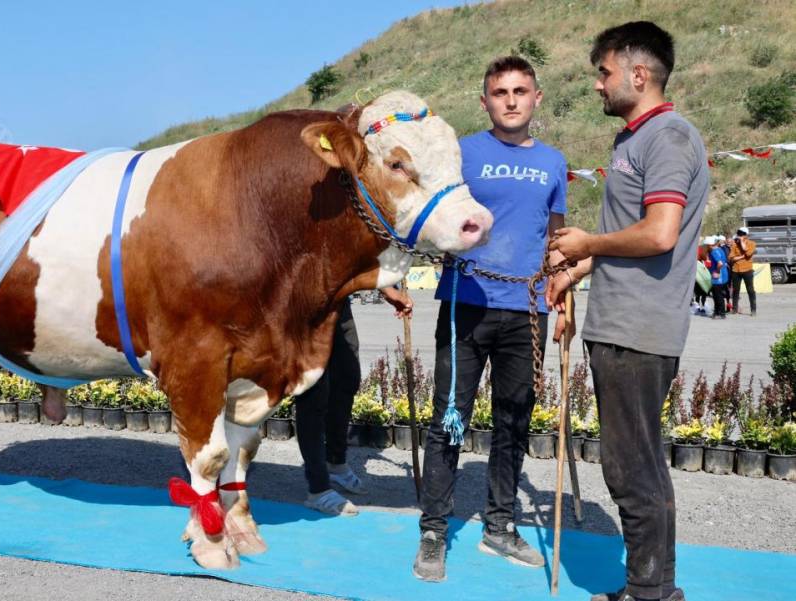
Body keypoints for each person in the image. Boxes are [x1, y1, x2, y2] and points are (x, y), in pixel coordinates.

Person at [549, 21, 706, 601]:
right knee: (640, 464)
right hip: (621, 319)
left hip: (638, 329)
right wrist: (578, 268)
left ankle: (648, 594)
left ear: (639, 75)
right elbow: (627, 233)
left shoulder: (667, 138)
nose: (598, 85)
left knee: (630, 469)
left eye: (605, 72)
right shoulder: (631, 141)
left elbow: (660, 233)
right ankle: (655, 590)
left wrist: (587, 243)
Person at [413, 55, 568, 582]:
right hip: (465, 304)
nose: (510, 100)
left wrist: (562, 290)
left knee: (513, 423)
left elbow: (556, 237)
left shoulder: (553, 162)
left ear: (536, 98)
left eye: (520, 91)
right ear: (485, 101)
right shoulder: (462, 154)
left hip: (525, 311)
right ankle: (434, 531)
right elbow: (432, 211)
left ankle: (499, 527)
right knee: (447, 422)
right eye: (500, 92)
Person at [295, 287, 413, 516]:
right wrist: (388, 290)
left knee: (346, 379)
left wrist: (388, 288)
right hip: (307, 303)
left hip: (339, 302)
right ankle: (318, 489)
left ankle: (335, 463)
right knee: (314, 391)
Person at [729, 226, 756, 315]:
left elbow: (747, 252)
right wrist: (742, 257)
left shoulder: (752, 243)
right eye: (739, 234)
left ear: (746, 235)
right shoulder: (734, 244)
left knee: (750, 290)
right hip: (736, 270)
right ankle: (734, 308)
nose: (739, 236)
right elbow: (731, 258)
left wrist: (741, 242)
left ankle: (753, 310)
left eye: (741, 234)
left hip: (747, 269)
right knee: (736, 290)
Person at [706, 236, 729, 319]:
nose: (706, 247)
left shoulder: (714, 252)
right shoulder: (720, 249)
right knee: (717, 295)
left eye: (707, 245)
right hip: (724, 276)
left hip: (718, 278)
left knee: (717, 296)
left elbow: (720, 263)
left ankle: (722, 313)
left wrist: (717, 271)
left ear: (710, 245)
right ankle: (717, 312)